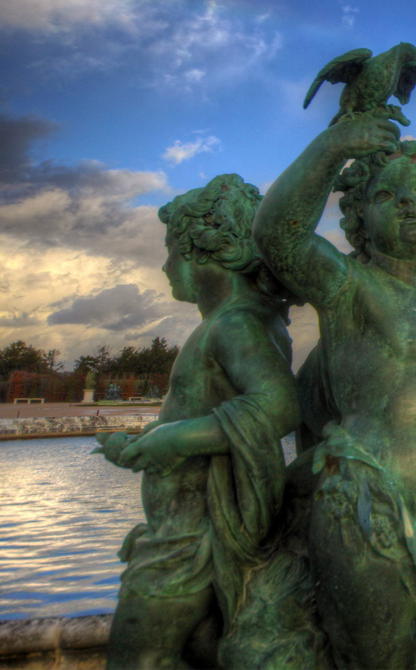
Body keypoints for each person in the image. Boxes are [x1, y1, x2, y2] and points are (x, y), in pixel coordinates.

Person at [255, 114, 416, 670]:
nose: (406, 202)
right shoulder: (350, 289)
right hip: (368, 515)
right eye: (387, 194)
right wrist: (333, 147)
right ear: (360, 220)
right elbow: (278, 236)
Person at [96, 175, 300, 669]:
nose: (166, 266)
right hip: (190, 533)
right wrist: (149, 440)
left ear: (207, 251)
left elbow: (279, 405)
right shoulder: (234, 320)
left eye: (172, 250)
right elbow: (202, 410)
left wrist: (174, 440)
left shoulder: (236, 323)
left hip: (191, 545)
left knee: (135, 659)